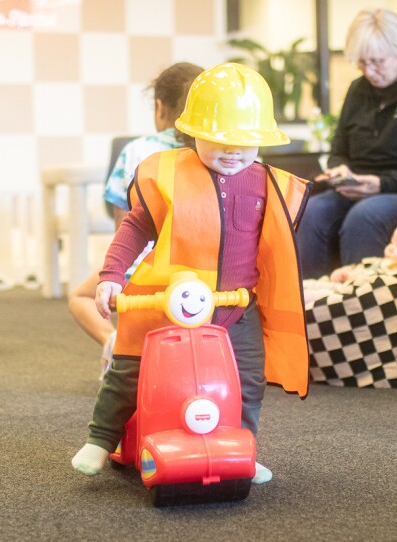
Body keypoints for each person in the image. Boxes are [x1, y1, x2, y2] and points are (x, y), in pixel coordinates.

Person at [71, 63, 312, 484]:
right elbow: (135, 225)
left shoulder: (264, 183)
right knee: (129, 366)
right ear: (192, 132)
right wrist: (112, 273)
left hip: (236, 304)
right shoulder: (169, 172)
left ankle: (242, 446)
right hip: (164, 297)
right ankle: (99, 438)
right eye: (219, 140)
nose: (233, 151)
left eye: (245, 141)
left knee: (248, 379)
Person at [296, 8, 397, 280]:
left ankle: (362, 309)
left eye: (377, 61)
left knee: (364, 217)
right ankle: (314, 304)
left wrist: (382, 184)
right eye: (361, 63)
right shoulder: (357, 90)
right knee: (309, 212)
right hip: (358, 187)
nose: (369, 71)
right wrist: (340, 172)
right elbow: (338, 150)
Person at [67, 62, 204, 378]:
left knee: (80, 296)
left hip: (144, 271)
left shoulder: (137, 151)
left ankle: (111, 339)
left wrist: (118, 271)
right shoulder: (218, 151)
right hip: (204, 273)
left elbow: (124, 225)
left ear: (159, 108)